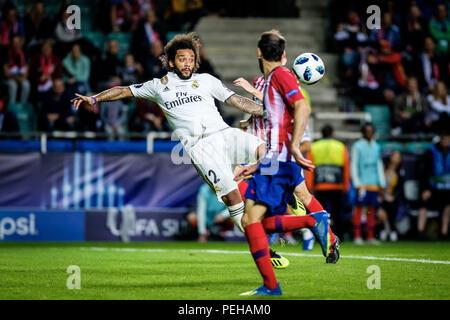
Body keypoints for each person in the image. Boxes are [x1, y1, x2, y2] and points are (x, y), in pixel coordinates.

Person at [72, 32, 268, 238]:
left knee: (266, 150)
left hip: (225, 134)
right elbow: (123, 91)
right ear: (172, 62)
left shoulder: (207, 80)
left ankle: (294, 198)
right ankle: (261, 245)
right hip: (201, 148)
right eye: (182, 59)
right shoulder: (159, 86)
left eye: (191, 60)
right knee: (232, 198)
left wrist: (267, 110)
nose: (187, 64)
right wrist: (94, 99)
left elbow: (237, 100)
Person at [234, 30, 339, 296]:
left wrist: (293, 146)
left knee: (251, 220)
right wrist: (257, 166)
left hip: (279, 160)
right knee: (256, 221)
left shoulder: (281, 76)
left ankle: (273, 285)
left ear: (259, 52)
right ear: (283, 55)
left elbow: (302, 106)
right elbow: (278, 125)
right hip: (274, 160)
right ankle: (312, 222)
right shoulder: (270, 82)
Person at [305, 124, 350, 240]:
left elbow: (309, 167)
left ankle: (320, 236)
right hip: (337, 185)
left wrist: (310, 186)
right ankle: (339, 236)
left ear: (322, 134)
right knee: (337, 213)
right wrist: (346, 186)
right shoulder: (340, 146)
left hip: (320, 185)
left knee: (319, 212)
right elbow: (346, 167)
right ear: (332, 134)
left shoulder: (314, 147)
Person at [351, 123, 386, 245]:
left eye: (371, 131)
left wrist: (381, 183)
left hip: (373, 184)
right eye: (367, 131)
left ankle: (370, 236)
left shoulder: (376, 146)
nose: (369, 133)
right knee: (359, 209)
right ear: (363, 132)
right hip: (362, 183)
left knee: (371, 210)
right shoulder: (357, 146)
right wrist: (356, 183)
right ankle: (357, 236)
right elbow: (354, 164)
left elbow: (379, 165)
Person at [417, 127, 450, 239]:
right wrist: (425, 189)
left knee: (448, 206)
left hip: (447, 188)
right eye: (444, 138)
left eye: (448, 138)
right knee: (423, 203)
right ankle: (420, 232)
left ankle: (444, 232)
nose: (446, 141)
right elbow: (424, 172)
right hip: (432, 187)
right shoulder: (431, 151)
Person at [378, 150, 404, 242]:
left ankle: (391, 230)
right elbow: (379, 184)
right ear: (390, 157)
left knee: (392, 204)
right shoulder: (383, 169)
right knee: (381, 205)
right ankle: (385, 229)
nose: (397, 159)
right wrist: (381, 195)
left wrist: (393, 197)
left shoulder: (400, 172)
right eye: (395, 156)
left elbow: (400, 189)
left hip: (393, 198)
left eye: (398, 157)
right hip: (381, 197)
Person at [3, 34, 30, 104]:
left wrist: (23, 78)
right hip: (10, 78)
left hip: (21, 77)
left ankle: (23, 106)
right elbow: (6, 74)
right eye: (14, 42)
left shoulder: (25, 53)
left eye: (18, 42)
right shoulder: (6, 54)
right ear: (11, 43)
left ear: (21, 43)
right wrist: (16, 78)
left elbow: (27, 70)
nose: (17, 44)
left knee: (26, 85)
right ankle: (12, 106)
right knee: (13, 85)